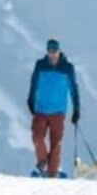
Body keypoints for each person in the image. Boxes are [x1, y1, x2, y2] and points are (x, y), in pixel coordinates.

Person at [28, 38, 80, 177]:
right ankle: (43, 163)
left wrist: (76, 109)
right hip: (41, 109)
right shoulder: (40, 65)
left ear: (59, 51)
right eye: (50, 51)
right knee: (37, 137)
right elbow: (33, 83)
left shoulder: (67, 68)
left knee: (56, 144)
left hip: (58, 111)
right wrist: (30, 100)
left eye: (54, 51)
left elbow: (74, 89)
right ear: (47, 51)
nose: (52, 54)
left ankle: (52, 173)